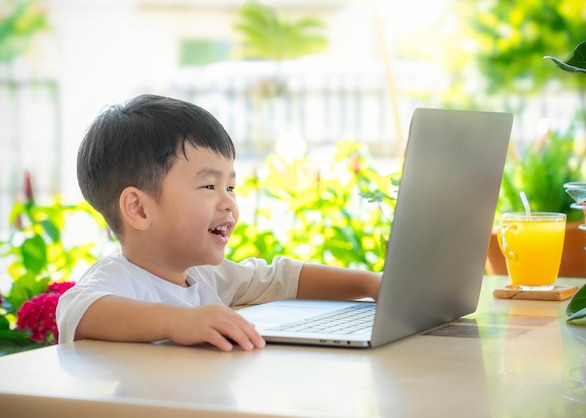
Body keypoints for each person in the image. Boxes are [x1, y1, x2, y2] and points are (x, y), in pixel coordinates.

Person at [56, 94, 381, 352]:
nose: (229, 202)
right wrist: (179, 322)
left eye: (231, 187)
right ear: (139, 209)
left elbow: (284, 277)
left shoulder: (208, 276)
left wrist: (367, 284)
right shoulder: (118, 278)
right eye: (209, 187)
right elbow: (79, 310)